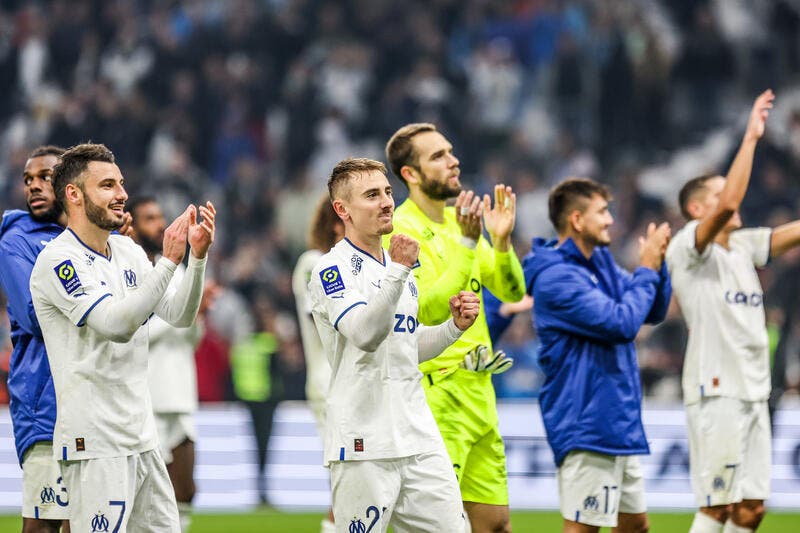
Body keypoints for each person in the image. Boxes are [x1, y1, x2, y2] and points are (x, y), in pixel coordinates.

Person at [29, 143, 215, 533]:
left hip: (142, 436)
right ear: (74, 195)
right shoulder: (59, 261)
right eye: (108, 185)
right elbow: (115, 324)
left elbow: (180, 315)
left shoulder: (128, 251)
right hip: (95, 441)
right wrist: (168, 261)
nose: (122, 194)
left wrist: (195, 259)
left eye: (122, 184)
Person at [308, 157, 478, 532]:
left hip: (418, 436)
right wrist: (399, 270)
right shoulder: (329, 269)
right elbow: (365, 335)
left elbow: (406, 344)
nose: (386, 202)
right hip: (363, 442)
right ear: (343, 209)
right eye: (371, 195)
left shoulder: (399, 268)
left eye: (387, 192)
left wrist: (453, 328)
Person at [384, 123, 525, 533]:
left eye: (450, 151)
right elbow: (423, 310)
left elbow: (513, 289)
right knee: (440, 526)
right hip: (435, 395)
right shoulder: (401, 229)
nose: (453, 160)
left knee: (496, 525)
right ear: (410, 174)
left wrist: (499, 242)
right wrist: (467, 246)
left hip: (480, 392)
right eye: (438, 156)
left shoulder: (458, 222)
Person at [666, 90, 787, 533]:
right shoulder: (689, 248)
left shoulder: (740, 246)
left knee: (751, 509)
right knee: (716, 506)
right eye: (717, 195)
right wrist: (751, 139)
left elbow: (780, 237)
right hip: (717, 389)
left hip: (754, 390)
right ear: (697, 210)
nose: (730, 199)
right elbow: (731, 204)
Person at [523, 177, 672, 532]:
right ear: (576, 220)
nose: (610, 220)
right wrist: (647, 268)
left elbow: (650, 310)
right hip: (586, 419)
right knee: (583, 528)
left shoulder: (601, 262)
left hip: (615, 418)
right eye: (602, 212)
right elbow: (621, 323)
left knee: (635, 526)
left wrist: (658, 264)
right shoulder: (556, 277)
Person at [128, 196, 217, 533]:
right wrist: (182, 318)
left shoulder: (178, 271)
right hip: (147, 394)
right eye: (149, 218)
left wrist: (198, 314)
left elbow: (188, 336)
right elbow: (130, 329)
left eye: (160, 216)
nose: (159, 224)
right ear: (134, 226)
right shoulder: (132, 268)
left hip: (179, 391)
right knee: (148, 493)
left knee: (186, 490)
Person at [0, 145, 70, 532]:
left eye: (45, 177)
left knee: (81, 519)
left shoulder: (83, 237)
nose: (34, 187)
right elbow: (33, 314)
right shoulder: (17, 240)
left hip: (85, 400)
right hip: (43, 401)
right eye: (28, 180)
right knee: (43, 524)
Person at [291, 195, 344, 533]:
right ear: (338, 223)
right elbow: (328, 321)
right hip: (330, 382)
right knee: (345, 481)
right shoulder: (313, 262)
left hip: (354, 382)